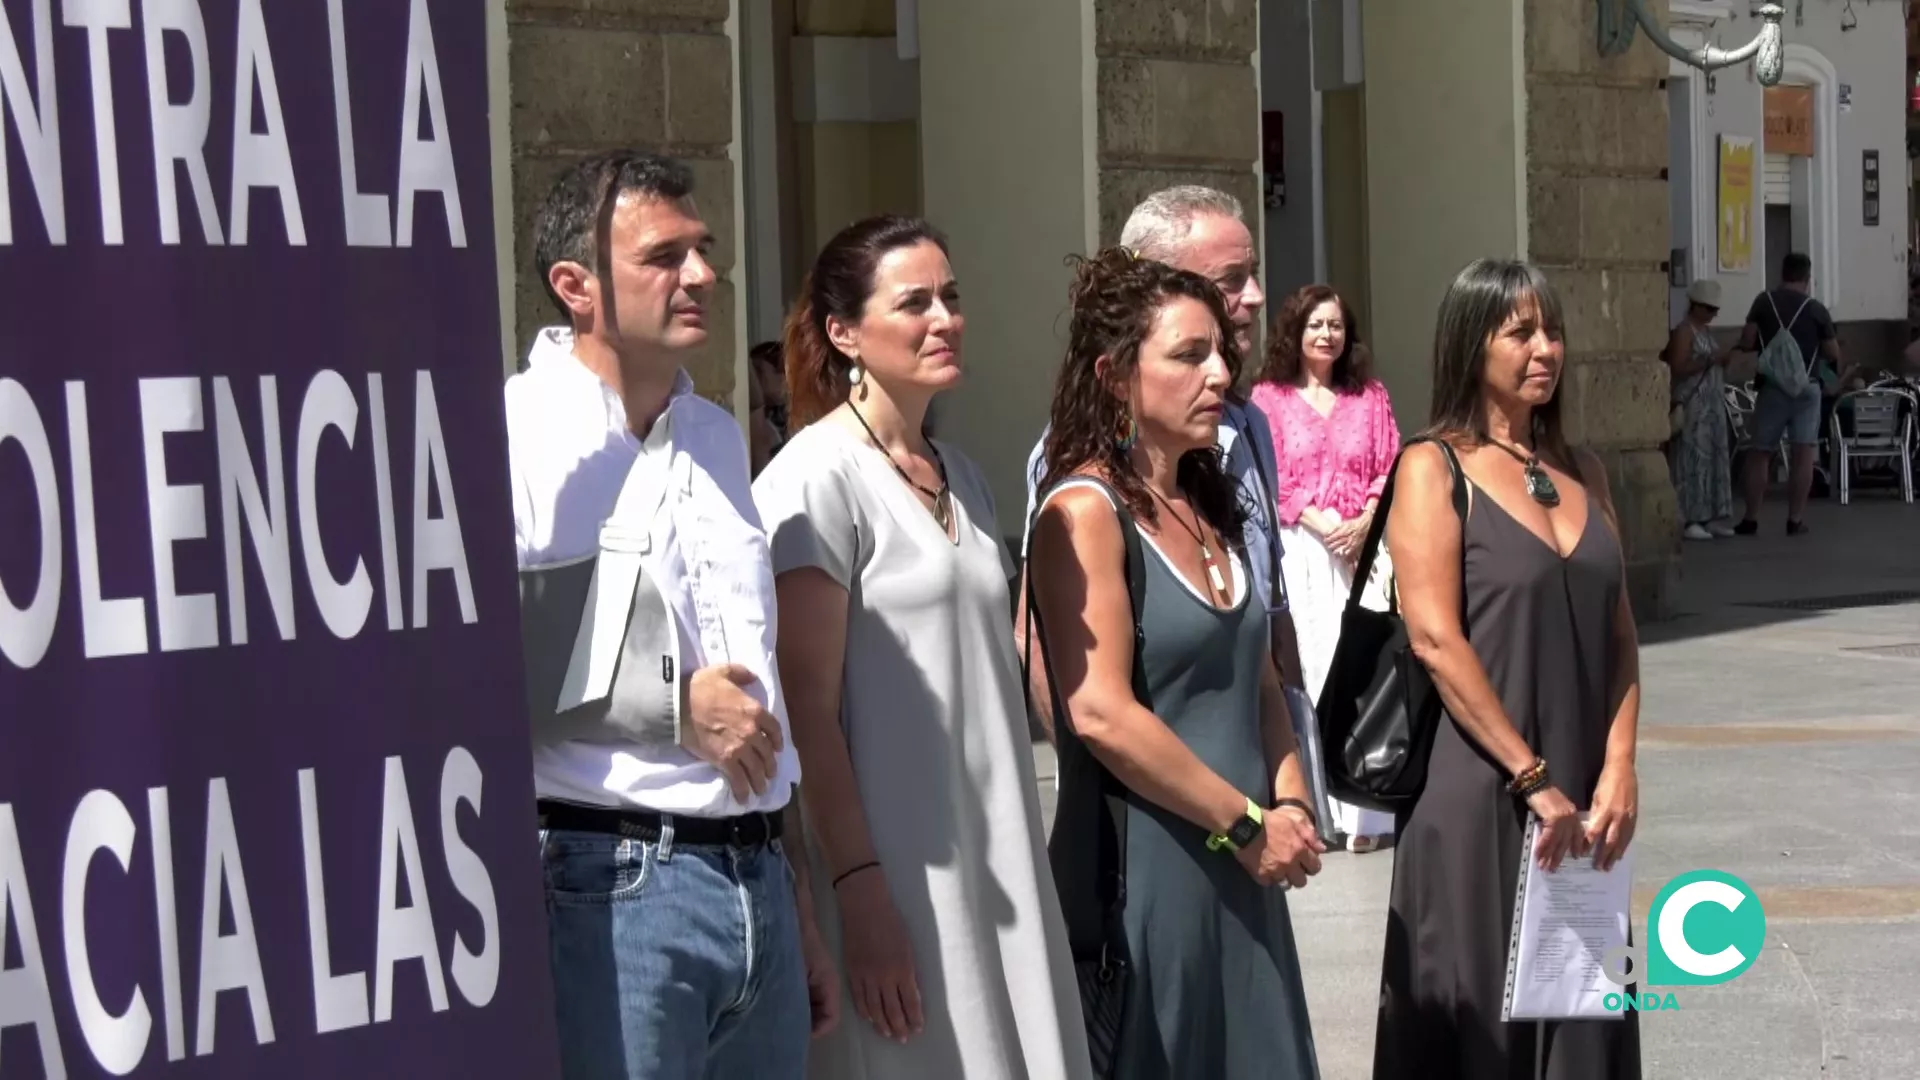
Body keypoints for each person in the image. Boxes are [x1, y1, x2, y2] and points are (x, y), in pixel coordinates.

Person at [507, 151, 836, 1079]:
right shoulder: (512, 436)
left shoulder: (720, 437)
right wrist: (670, 703)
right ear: (576, 285)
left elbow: (756, 700)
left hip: (756, 880)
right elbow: (472, 650)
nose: (701, 274)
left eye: (704, 249)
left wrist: (795, 902)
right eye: (664, 255)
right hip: (611, 885)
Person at [753, 215, 1092, 1079]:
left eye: (950, 297)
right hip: (896, 875)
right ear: (844, 332)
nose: (944, 318)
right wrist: (859, 891)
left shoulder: (964, 475)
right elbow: (808, 714)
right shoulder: (814, 479)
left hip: (999, 859)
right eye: (914, 303)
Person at [1028, 247, 1323, 1080]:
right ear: (1116, 374)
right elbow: (1099, 714)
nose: (1220, 373)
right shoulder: (1083, 512)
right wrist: (1241, 822)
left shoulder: (1206, 499)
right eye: (1189, 355)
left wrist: (1291, 800)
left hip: (1246, 863)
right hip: (1149, 878)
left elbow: (1260, 678)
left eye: (1220, 352)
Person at [1373, 258, 1642, 1080]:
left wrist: (1622, 767)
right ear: (1470, 345)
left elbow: (1622, 635)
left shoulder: (1584, 471)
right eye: (1519, 332)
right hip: (1480, 786)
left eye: (1552, 331)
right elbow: (1434, 639)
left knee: (1582, 1016)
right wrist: (1530, 776)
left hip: (1584, 794)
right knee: (1480, 1020)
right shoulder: (1431, 467)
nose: (1545, 349)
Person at [1017, 186, 1308, 766]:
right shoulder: (1080, 464)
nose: (1253, 296)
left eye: (1252, 273)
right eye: (1229, 280)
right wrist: (1096, 782)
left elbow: (1262, 611)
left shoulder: (1249, 424)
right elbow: (1043, 639)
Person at [1249, 285, 1402, 853]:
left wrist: (1364, 520)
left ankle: (1367, 812)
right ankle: (1316, 807)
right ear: (1296, 330)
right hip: (1303, 548)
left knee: (1361, 672)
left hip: (1361, 550)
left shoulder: (1371, 396)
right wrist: (1320, 523)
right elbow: (1273, 476)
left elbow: (1390, 462)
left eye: (1336, 325)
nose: (1326, 335)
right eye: (1316, 324)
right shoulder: (1269, 398)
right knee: (1308, 671)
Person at [1731, 252, 1851, 535]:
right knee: (1803, 453)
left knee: (1760, 452)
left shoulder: (1764, 302)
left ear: (1782, 273)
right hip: (1807, 387)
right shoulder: (1817, 309)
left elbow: (1748, 340)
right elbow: (1833, 352)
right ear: (1807, 279)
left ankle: (1751, 518)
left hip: (1772, 385)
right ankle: (1795, 519)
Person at [1664, 279, 1735, 540]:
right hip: (1694, 407)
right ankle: (1691, 516)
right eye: (1709, 309)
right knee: (1694, 461)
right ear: (1696, 306)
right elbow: (1677, 367)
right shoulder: (1685, 332)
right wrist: (1708, 360)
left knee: (1713, 461)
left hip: (1711, 408)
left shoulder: (1704, 331)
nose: (1713, 315)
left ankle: (1712, 515)